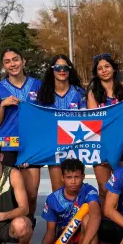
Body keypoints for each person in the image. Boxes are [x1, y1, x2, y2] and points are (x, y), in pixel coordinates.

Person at [16, 159, 101, 244]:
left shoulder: (89, 191)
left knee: (88, 218)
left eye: (77, 177)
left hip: (85, 241)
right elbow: (50, 231)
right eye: (69, 177)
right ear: (62, 178)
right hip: (63, 242)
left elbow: (96, 216)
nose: (73, 181)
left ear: (83, 177)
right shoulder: (53, 199)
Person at [0, 48, 42, 224]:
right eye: (7, 61)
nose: (12, 64)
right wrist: (3, 105)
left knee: (31, 194)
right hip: (7, 146)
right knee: (7, 195)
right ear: (4, 66)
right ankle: (6, 236)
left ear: (23, 62)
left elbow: (46, 115)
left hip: (32, 145)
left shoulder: (37, 85)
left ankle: (26, 234)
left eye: (15, 59)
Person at [86, 53, 123, 197]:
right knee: (104, 189)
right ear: (96, 73)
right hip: (101, 147)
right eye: (100, 68)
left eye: (107, 66)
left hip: (122, 145)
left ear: (114, 68)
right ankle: (105, 220)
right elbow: (93, 124)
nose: (104, 70)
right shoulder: (93, 93)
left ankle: (121, 219)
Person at [36, 55, 86, 191]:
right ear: (52, 70)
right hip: (54, 147)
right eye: (58, 67)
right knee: (58, 188)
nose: (62, 70)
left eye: (65, 67)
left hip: (76, 144)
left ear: (70, 70)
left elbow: (87, 119)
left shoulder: (79, 92)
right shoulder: (44, 93)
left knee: (75, 187)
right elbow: (39, 122)